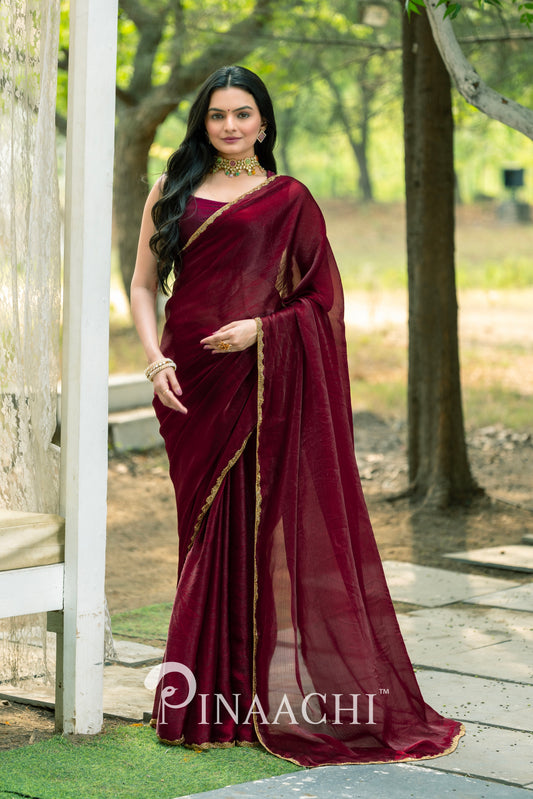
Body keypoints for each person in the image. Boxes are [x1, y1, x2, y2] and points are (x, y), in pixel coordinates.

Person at [130, 65, 464, 768]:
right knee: (202, 533)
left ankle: (229, 700)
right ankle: (207, 696)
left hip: (256, 375)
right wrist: (153, 360)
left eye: (241, 115)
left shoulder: (286, 199)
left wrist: (261, 332)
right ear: (201, 121)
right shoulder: (172, 190)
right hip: (189, 379)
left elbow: (321, 301)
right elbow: (139, 285)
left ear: (263, 122)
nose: (228, 127)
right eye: (217, 115)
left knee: (247, 529)